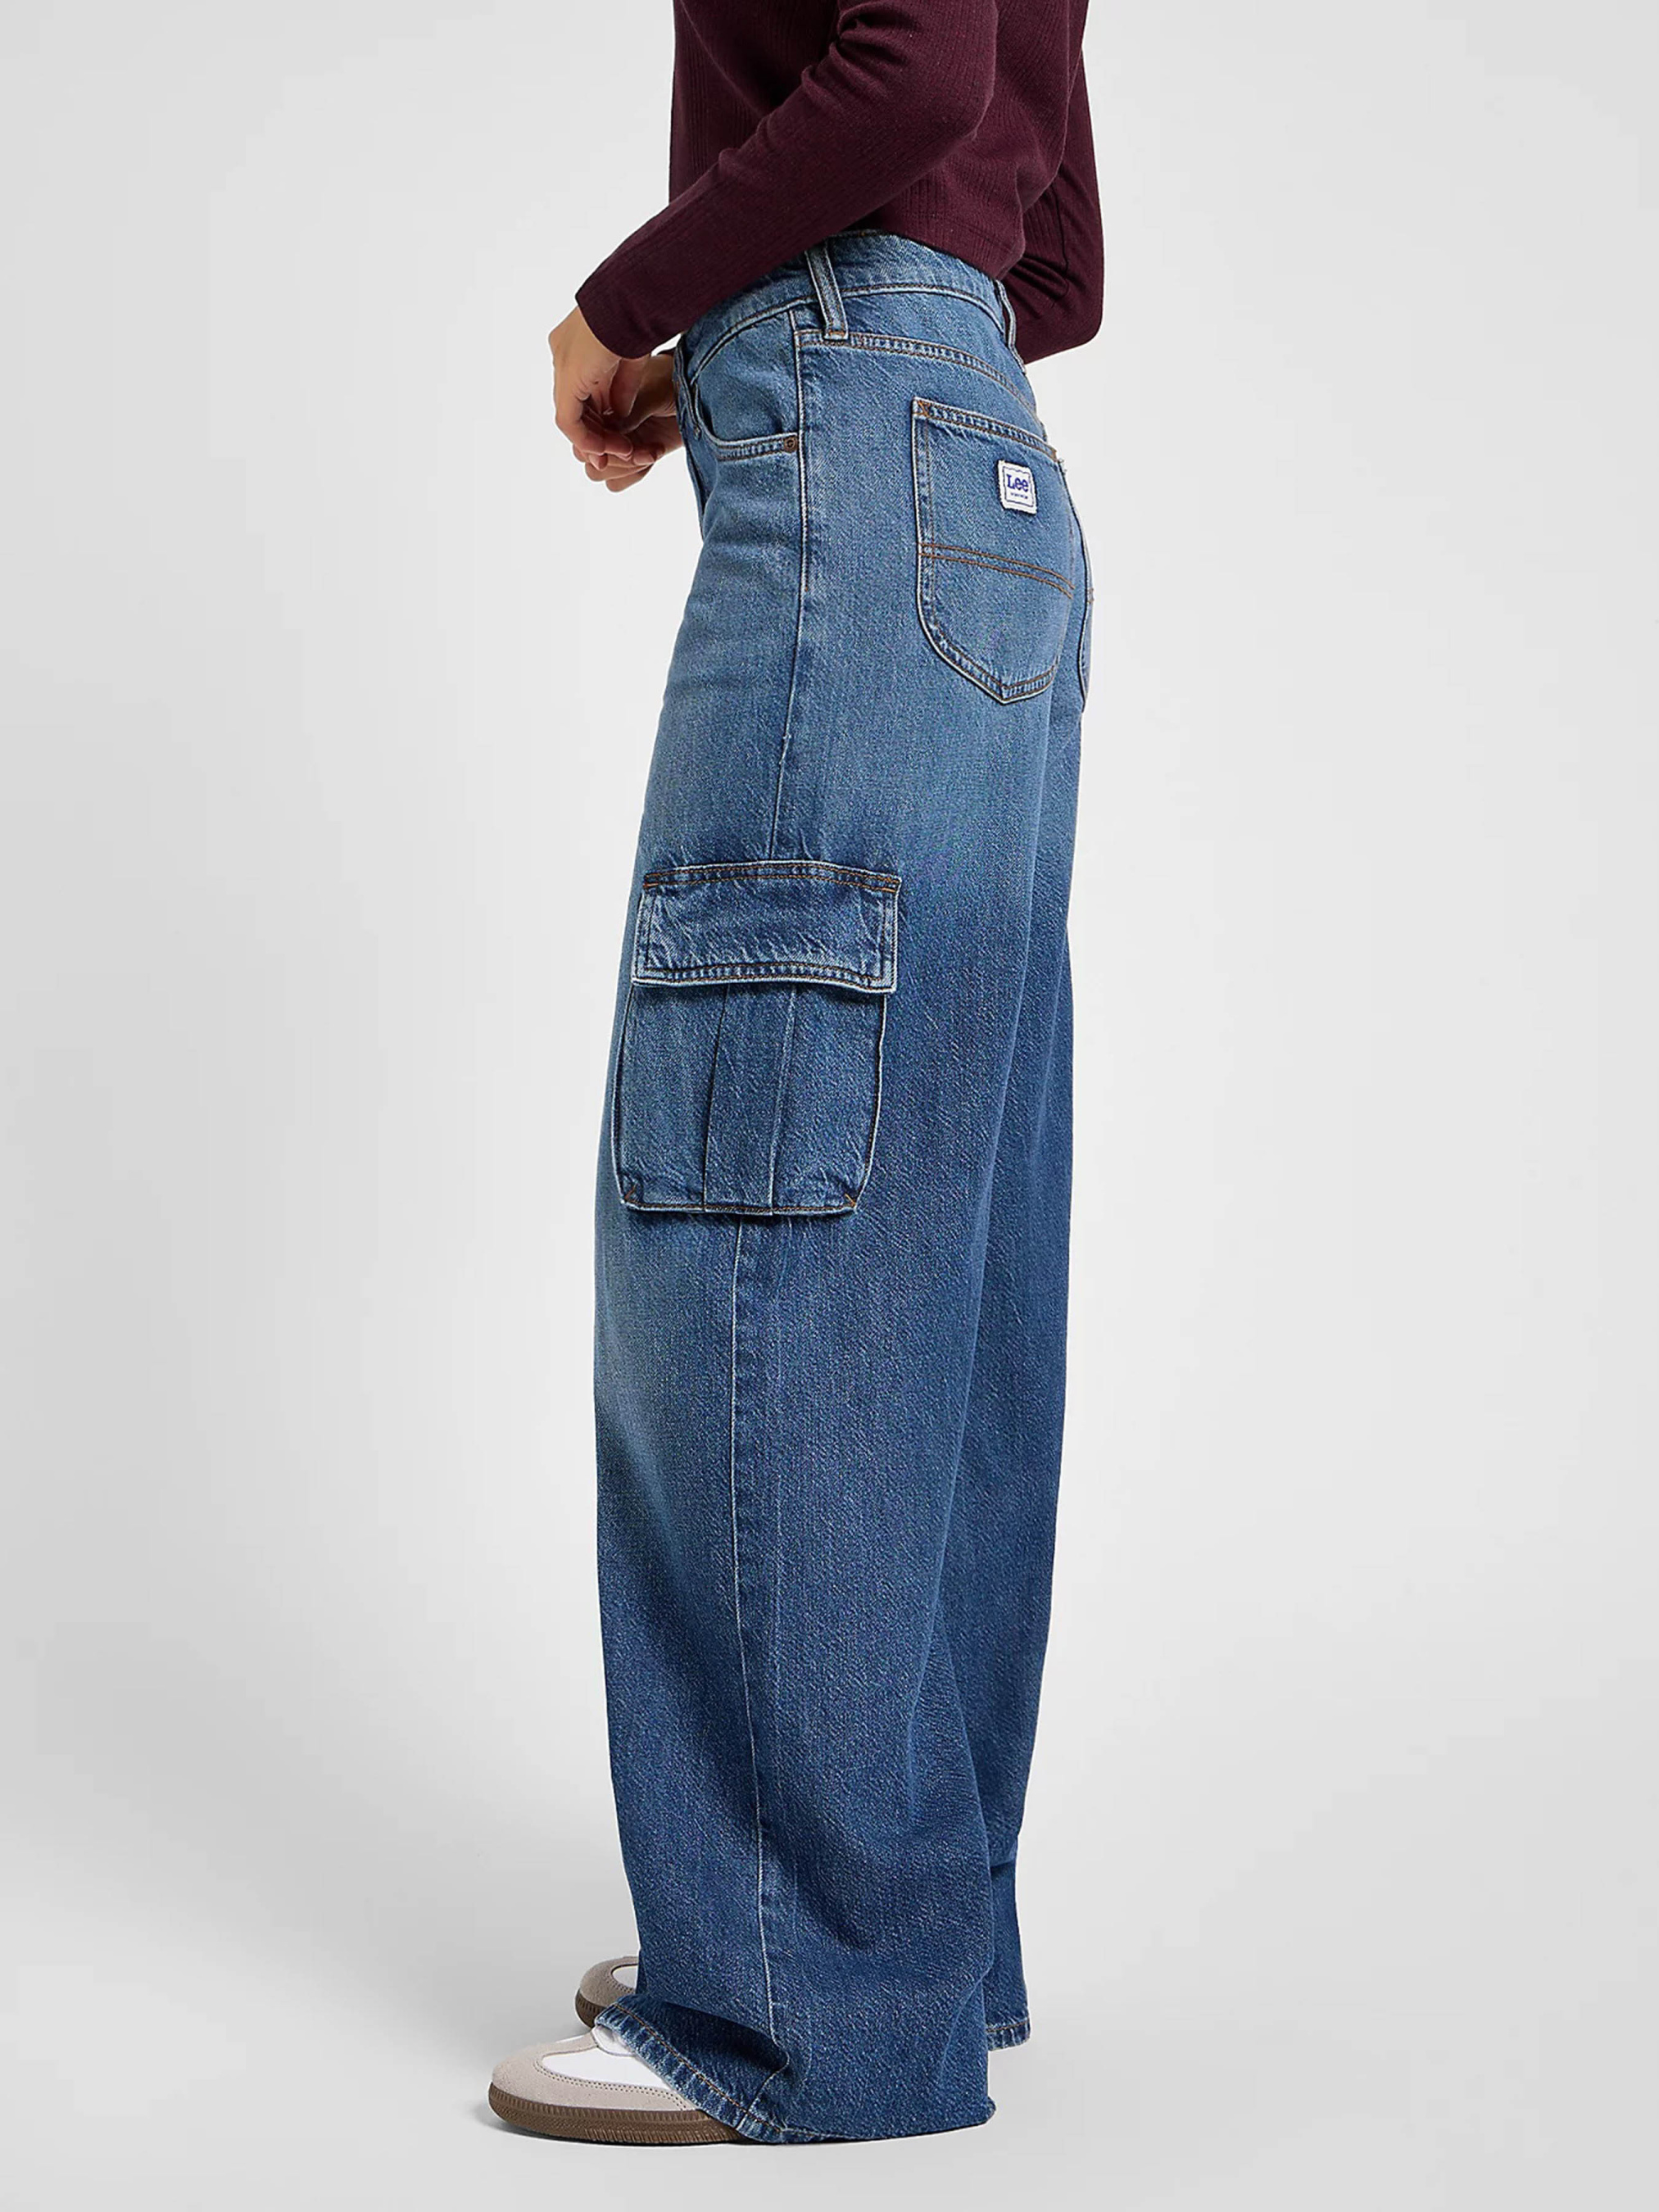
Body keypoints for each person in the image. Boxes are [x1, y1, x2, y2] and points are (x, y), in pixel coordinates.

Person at [490, 0, 1103, 2147]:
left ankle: (793, 1995)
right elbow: (1054, 264)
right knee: (933, 1247)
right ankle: (904, 1949)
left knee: (758, 1204)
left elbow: (909, 77)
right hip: (993, 470)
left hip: (849, 455)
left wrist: (625, 303)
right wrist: (783, 304)